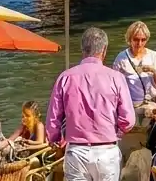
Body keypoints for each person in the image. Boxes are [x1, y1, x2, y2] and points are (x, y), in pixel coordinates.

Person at [48, 27, 136, 181]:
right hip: (107, 150)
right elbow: (128, 119)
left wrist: (56, 138)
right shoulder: (116, 78)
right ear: (104, 50)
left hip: (77, 151)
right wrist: (117, 131)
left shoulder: (66, 77)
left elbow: (53, 120)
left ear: (82, 48)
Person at [113, 21, 156, 115]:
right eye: (136, 39)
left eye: (143, 40)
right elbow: (115, 86)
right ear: (129, 39)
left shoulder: (153, 55)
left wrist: (154, 70)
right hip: (134, 104)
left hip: (154, 101)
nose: (139, 43)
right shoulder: (121, 58)